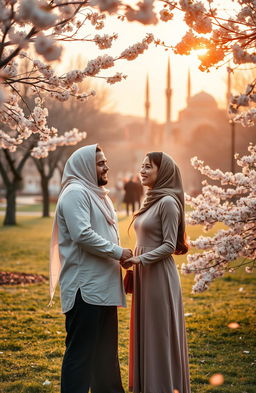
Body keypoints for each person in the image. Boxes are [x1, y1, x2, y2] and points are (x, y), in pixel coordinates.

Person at [49, 144, 133, 393]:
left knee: (105, 356)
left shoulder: (96, 193)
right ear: (85, 167)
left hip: (103, 288)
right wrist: (118, 253)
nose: (106, 166)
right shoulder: (75, 192)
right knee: (81, 355)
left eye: (105, 161)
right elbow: (82, 234)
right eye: (100, 163)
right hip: (84, 289)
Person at [122, 152, 191, 393]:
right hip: (144, 273)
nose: (142, 171)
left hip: (159, 276)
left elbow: (169, 245)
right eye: (141, 166)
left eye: (148, 167)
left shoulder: (168, 202)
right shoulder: (151, 199)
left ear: (163, 172)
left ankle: (161, 386)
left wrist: (139, 258)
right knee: (146, 330)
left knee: (158, 333)